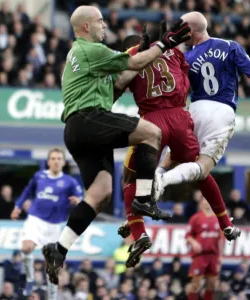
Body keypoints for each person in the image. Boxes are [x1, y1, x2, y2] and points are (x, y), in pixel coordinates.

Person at [42, 5, 191, 285]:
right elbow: (132, 65)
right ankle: (144, 198)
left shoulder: (81, 57)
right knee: (152, 133)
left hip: (77, 129)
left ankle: (58, 249)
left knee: (99, 194)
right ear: (85, 26)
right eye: (100, 21)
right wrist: (165, 43)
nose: (104, 26)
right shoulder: (90, 50)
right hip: (89, 119)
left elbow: (118, 82)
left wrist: (143, 51)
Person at [117, 26, 238, 268]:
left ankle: (138, 230)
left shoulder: (129, 57)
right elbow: (186, 76)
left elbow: (120, 84)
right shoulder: (171, 50)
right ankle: (226, 223)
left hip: (151, 121)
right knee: (200, 170)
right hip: (180, 118)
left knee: (130, 177)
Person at [152, 11, 250, 202]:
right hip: (221, 109)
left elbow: (174, 88)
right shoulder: (230, 46)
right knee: (203, 167)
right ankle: (164, 181)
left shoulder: (186, 58)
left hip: (195, 108)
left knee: (175, 154)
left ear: (190, 31)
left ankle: (157, 174)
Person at [10, 148, 83, 298]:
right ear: (48, 161)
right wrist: (18, 206)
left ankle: (52, 294)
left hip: (54, 225)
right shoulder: (39, 176)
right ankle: (30, 279)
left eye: (59, 159)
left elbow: (80, 196)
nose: (56, 161)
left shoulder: (69, 181)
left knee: (50, 265)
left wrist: (78, 201)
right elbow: (27, 191)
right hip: (35, 219)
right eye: (53, 158)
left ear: (63, 162)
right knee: (26, 247)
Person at [186, 198, 224, 300]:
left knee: (212, 285)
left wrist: (221, 255)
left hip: (213, 255)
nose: (207, 204)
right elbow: (188, 235)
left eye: (209, 201)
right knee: (196, 284)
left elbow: (221, 239)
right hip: (200, 255)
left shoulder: (218, 218)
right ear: (201, 204)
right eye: (205, 201)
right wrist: (194, 242)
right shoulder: (195, 218)